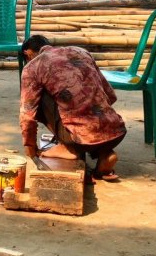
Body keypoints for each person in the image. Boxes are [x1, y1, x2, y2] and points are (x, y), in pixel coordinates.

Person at [19, 34, 127, 181]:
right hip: (115, 131)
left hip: (77, 138)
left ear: (28, 53)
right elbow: (110, 95)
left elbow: (27, 115)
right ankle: (104, 154)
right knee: (86, 105)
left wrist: (30, 147)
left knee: (36, 97)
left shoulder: (33, 66)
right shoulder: (81, 51)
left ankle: (69, 148)